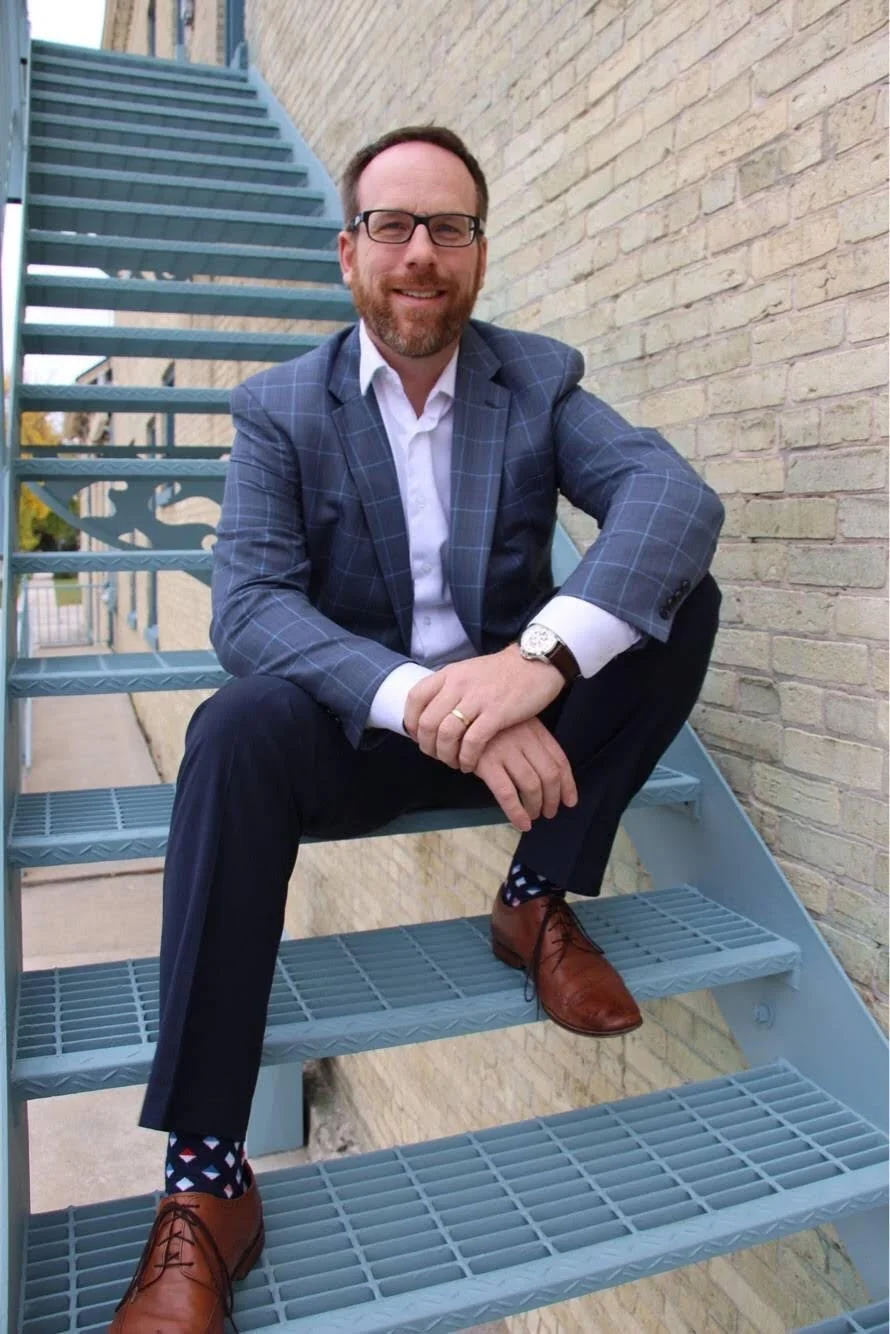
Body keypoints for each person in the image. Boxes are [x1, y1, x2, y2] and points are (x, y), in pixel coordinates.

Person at [110, 125, 724, 1333]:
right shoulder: (281, 406)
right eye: (391, 225)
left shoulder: (532, 378)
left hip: (514, 706)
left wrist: (533, 666)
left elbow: (671, 498)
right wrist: (436, 703)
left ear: (478, 253)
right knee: (231, 728)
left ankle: (534, 896)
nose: (419, 252)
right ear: (349, 252)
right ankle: (205, 1176)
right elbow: (250, 607)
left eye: (448, 226)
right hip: (360, 728)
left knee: (676, 600)